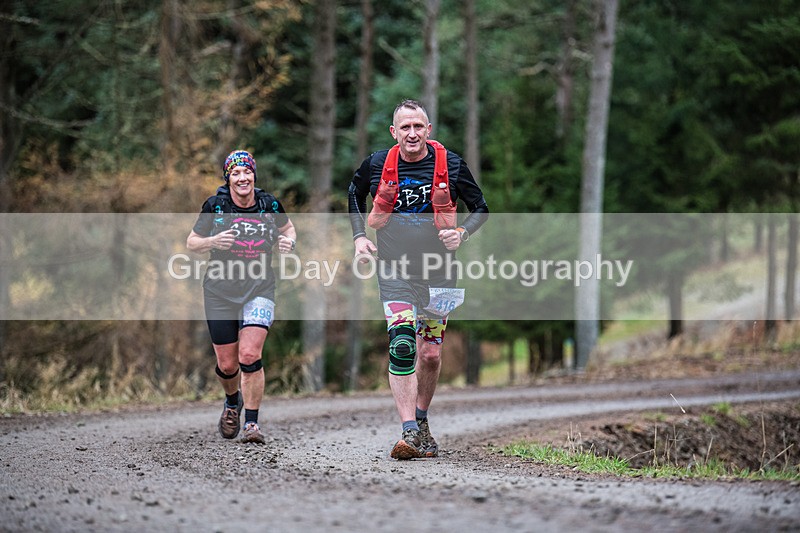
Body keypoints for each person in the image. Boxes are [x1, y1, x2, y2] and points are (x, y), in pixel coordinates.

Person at [348, 99, 489, 459]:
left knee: (429, 354)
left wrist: (462, 234)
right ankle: (409, 430)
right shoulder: (377, 164)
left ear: (429, 130)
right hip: (394, 271)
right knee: (402, 344)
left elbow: (481, 208)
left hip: (440, 275)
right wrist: (359, 236)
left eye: (418, 126)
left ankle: (422, 420)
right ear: (394, 132)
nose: (412, 133)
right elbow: (354, 194)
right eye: (405, 127)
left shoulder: (452, 165)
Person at [187, 149, 296, 444]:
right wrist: (212, 240)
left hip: (259, 289)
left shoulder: (268, 203)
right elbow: (192, 242)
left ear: (254, 175)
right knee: (227, 366)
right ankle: (232, 401)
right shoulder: (216, 205)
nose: (242, 177)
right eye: (235, 173)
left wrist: (289, 242)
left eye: (246, 172)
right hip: (219, 291)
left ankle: (252, 424)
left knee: (249, 354)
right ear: (228, 178)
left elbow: (288, 228)